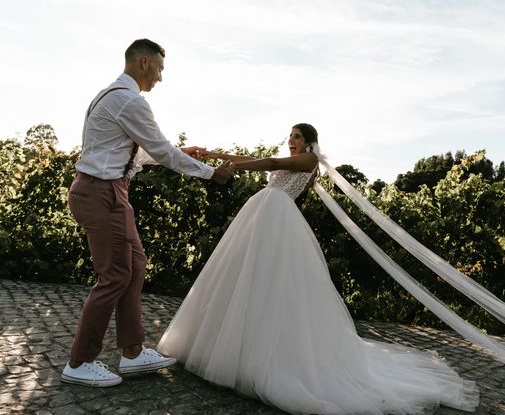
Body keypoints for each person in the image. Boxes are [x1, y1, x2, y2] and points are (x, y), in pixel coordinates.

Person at [157, 123, 479, 414]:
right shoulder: (293, 159)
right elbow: (254, 158)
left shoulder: (309, 162)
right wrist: (213, 154)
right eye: (290, 135)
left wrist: (227, 167)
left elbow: (270, 164)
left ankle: (262, 357)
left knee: (272, 282)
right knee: (244, 279)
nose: (291, 140)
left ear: (310, 143)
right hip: (262, 215)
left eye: (297, 136)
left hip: (278, 219)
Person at [62, 39, 233, 387]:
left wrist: (180, 151)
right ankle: (79, 362)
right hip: (101, 193)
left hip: (109, 190)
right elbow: (165, 154)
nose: (160, 77)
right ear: (143, 63)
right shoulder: (129, 101)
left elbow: (138, 155)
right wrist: (210, 172)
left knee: (134, 265)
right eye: (159, 68)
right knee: (114, 276)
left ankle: (133, 352)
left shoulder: (108, 97)